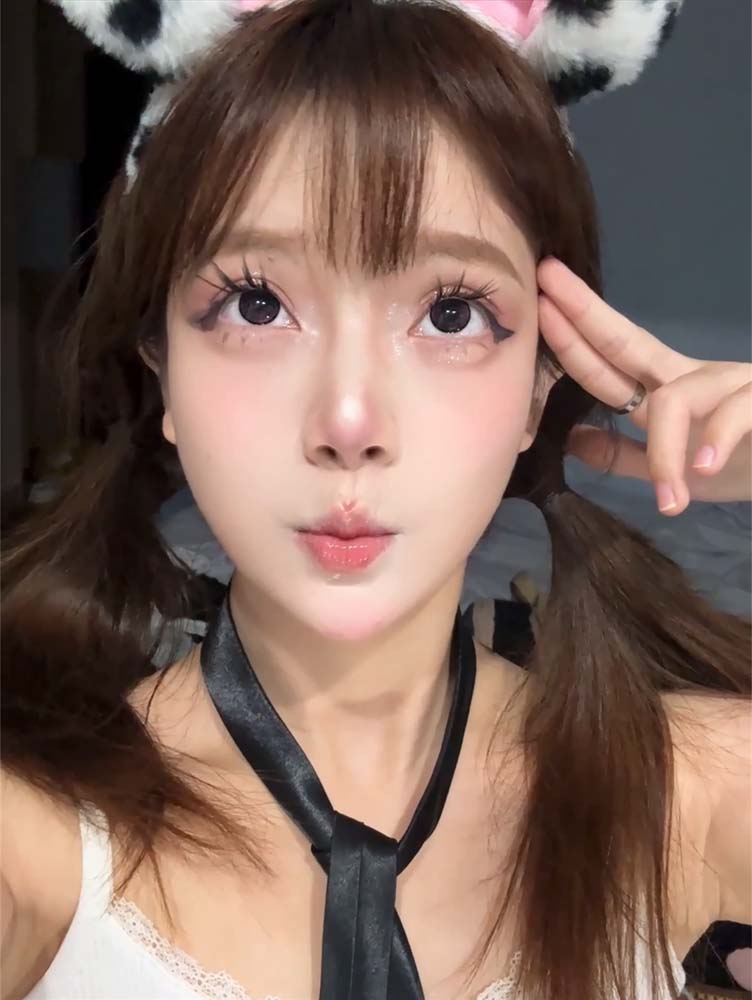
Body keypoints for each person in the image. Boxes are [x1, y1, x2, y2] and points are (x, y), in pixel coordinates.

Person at [2, 1, 750, 999]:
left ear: (540, 385)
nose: (349, 420)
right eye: (256, 304)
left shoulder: (685, 791)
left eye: (451, 314)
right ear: (162, 368)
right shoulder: (34, 836)